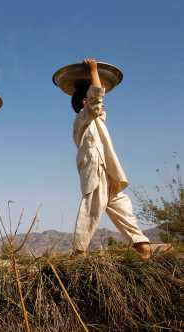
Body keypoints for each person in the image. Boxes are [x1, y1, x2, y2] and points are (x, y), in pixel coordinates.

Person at [71, 58, 153, 259]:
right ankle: (79, 251)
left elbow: (98, 102)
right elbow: (97, 97)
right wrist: (93, 70)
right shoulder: (83, 117)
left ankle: (141, 245)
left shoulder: (96, 120)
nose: (101, 103)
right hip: (95, 167)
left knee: (121, 206)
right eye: (92, 99)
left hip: (108, 170)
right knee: (93, 206)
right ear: (85, 102)